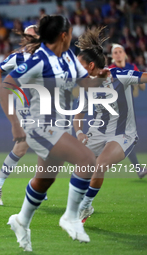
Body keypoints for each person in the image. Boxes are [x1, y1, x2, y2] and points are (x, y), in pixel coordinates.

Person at [0, 15, 109, 251]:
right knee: (87, 159)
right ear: (64, 35)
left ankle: (21, 221)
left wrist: (101, 77)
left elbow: (85, 84)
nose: (72, 36)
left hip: (59, 126)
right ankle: (70, 216)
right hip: (38, 126)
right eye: (70, 32)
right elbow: (7, 85)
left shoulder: (68, 57)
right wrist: (15, 124)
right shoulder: (38, 61)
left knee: (44, 180)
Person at [74, 27, 147, 223]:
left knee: (101, 164)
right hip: (96, 134)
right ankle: (82, 203)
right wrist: (80, 133)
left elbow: (145, 77)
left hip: (123, 134)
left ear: (90, 66)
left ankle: (85, 206)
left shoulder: (120, 76)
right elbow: (77, 116)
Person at [0, 25, 45, 206]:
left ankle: (36, 186)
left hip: (42, 106)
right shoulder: (18, 57)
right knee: (25, 144)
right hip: (25, 105)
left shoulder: (45, 56)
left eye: (32, 36)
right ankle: (1, 184)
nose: (28, 39)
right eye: (27, 36)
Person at [108, 43, 146, 178]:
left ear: (125, 54)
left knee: (127, 138)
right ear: (112, 56)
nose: (118, 54)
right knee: (126, 137)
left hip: (128, 109)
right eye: (115, 52)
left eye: (120, 51)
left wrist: (137, 80)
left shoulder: (131, 68)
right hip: (115, 108)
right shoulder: (111, 70)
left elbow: (141, 87)